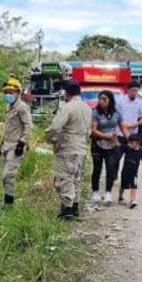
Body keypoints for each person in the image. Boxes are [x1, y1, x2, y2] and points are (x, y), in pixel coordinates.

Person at [46, 80, 92, 220]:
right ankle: (75, 207)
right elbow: (88, 131)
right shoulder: (87, 108)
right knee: (76, 179)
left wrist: (49, 137)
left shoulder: (68, 107)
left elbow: (55, 127)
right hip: (81, 149)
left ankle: (67, 210)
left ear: (66, 92)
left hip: (68, 148)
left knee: (64, 179)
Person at [0, 76, 33, 207]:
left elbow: (28, 126)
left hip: (16, 146)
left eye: (11, 93)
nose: (8, 95)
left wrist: (22, 143)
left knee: (8, 175)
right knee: (3, 176)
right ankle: (7, 202)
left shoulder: (22, 108)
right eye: (6, 93)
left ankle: (9, 204)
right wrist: (2, 144)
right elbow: (9, 128)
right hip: (6, 145)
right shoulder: (9, 107)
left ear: (18, 93)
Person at [89, 90, 126, 204]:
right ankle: (95, 192)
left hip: (112, 144)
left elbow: (123, 128)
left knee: (111, 168)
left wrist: (131, 140)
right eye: (100, 99)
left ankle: (108, 193)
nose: (102, 101)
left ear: (110, 100)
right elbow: (93, 129)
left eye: (104, 99)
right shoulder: (96, 112)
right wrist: (105, 135)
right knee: (97, 168)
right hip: (98, 142)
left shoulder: (116, 113)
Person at [118, 133, 142, 209]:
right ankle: (120, 196)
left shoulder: (140, 151)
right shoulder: (127, 148)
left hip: (134, 172)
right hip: (125, 171)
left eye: (137, 142)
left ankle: (132, 200)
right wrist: (114, 139)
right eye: (133, 142)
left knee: (134, 185)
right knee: (123, 185)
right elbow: (119, 145)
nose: (135, 144)